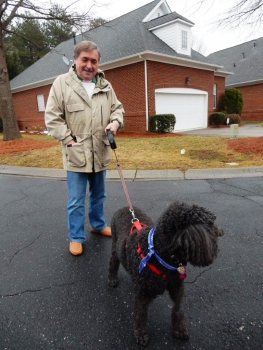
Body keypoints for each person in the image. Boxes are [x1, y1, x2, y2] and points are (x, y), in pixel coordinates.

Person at [45, 41, 124, 256]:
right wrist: (68, 140)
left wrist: (115, 123)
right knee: (76, 201)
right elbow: (52, 118)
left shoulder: (106, 86)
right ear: (76, 60)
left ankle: (97, 225)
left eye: (94, 61)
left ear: (98, 63)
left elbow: (117, 109)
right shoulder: (62, 83)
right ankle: (76, 237)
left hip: (100, 151)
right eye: (85, 60)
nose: (89, 65)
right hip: (76, 154)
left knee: (99, 196)